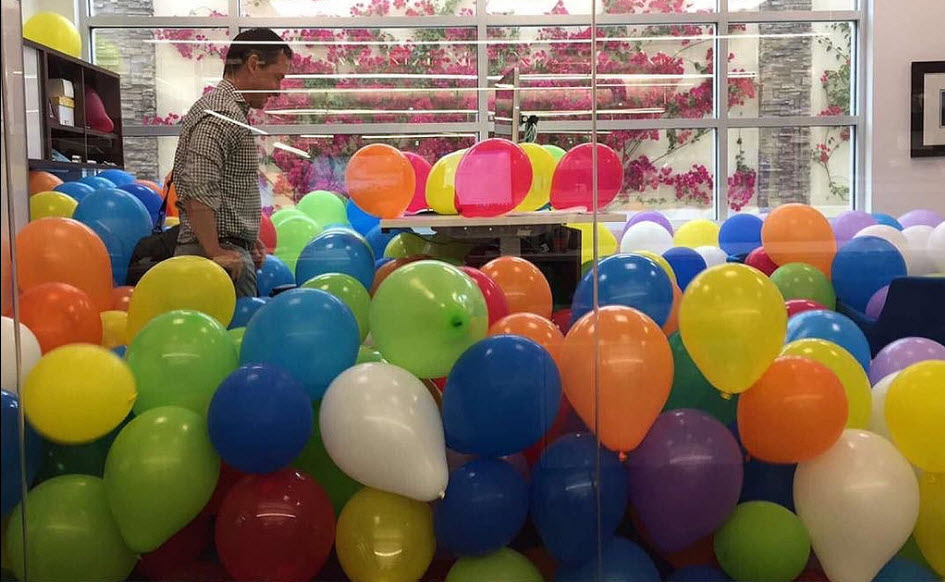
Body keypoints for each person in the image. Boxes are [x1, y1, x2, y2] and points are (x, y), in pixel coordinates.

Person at [172, 28, 292, 297]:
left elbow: (223, 188)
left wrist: (248, 240)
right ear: (252, 64)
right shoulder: (222, 113)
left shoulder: (229, 111)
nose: (278, 89)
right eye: (277, 77)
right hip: (219, 262)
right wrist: (216, 251)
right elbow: (198, 186)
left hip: (228, 253)